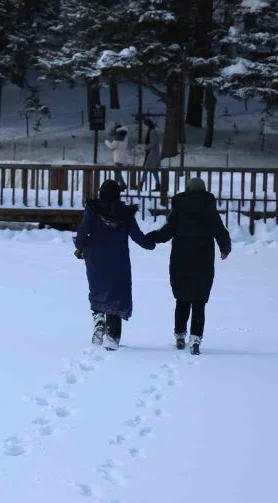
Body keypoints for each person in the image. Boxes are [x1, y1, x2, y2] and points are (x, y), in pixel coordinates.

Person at [146, 178, 231, 355]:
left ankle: (179, 335)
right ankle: (195, 339)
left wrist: (150, 237)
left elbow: (167, 231)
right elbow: (220, 231)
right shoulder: (209, 209)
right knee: (199, 301)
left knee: (182, 299)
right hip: (203, 261)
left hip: (180, 260)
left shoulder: (179, 208)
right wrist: (225, 248)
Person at [74, 180, 156, 350]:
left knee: (97, 289)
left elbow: (83, 230)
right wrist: (150, 243)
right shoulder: (124, 213)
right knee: (117, 296)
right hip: (118, 260)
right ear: (118, 194)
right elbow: (136, 235)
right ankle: (112, 337)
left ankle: (98, 319)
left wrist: (80, 245)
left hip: (95, 257)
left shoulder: (93, 210)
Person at [105, 123, 130, 190]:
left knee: (117, 171)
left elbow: (112, 146)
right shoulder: (125, 135)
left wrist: (107, 142)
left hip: (118, 157)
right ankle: (121, 184)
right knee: (117, 171)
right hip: (123, 156)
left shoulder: (118, 137)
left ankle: (118, 186)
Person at [138, 118, 160, 191]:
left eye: (144, 125)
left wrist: (146, 147)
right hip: (151, 153)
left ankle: (141, 185)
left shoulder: (152, 132)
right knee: (153, 170)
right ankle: (157, 185)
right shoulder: (151, 131)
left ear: (147, 125)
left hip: (152, 154)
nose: (144, 127)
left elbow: (153, 142)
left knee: (146, 169)